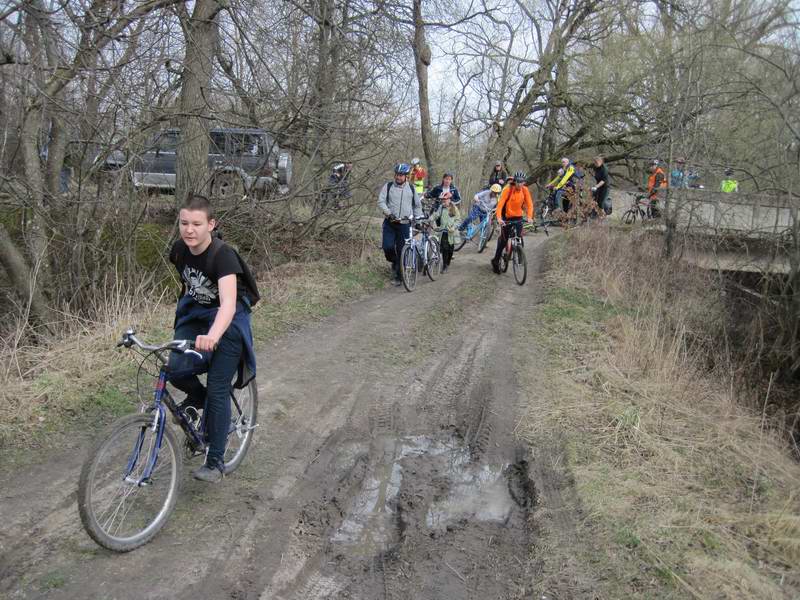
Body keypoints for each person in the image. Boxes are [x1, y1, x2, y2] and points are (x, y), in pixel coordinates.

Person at [167, 194, 257, 483]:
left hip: (227, 321)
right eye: (184, 223)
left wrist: (212, 336)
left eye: (196, 224)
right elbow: (190, 285)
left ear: (211, 224)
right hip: (197, 314)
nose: (189, 230)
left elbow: (228, 303)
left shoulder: (223, 255)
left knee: (218, 387)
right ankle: (199, 399)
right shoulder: (179, 251)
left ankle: (216, 461)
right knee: (176, 369)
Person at [378, 163, 424, 285]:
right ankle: (395, 262)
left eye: (401, 175)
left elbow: (417, 206)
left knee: (401, 249)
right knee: (387, 247)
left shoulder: (412, 188)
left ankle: (399, 277)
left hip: (404, 224)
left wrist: (418, 221)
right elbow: (381, 201)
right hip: (390, 222)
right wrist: (388, 213)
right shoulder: (388, 186)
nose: (398, 177)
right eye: (397, 175)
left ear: (406, 176)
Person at [491, 171, 533, 274]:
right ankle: (495, 261)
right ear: (515, 181)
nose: (520, 184)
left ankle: (519, 253)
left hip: (518, 216)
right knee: (503, 242)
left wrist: (529, 216)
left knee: (519, 237)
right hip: (507, 217)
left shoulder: (525, 190)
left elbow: (530, 204)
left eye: (522, 182)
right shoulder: (508, 190)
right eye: (518, 182)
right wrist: (499, 218)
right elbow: (500, 205)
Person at [431, 193, 461, 273]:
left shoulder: (454, 208)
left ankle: (447, 262)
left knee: (450, 249)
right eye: (442, 200)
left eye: (445, 200)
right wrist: (429, 219)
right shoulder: (441, 208)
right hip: (443, 231)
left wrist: (453, 227)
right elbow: (436, 215)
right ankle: (444, 265)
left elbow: (458, 220)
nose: (443, 202)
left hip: (452, 233)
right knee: (444, 248)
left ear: (449, 200)